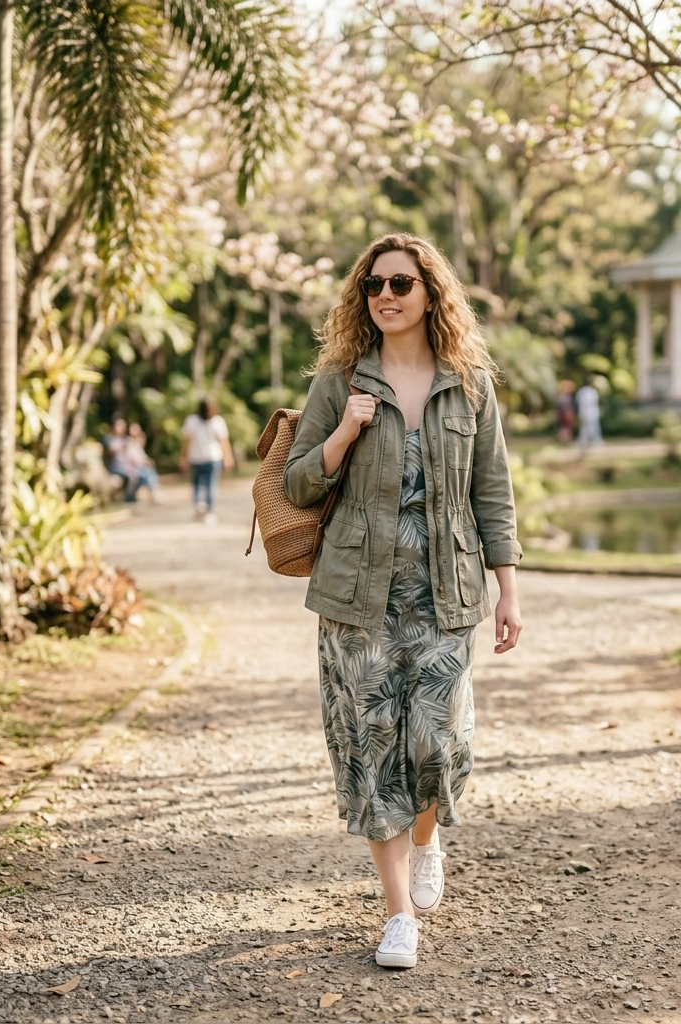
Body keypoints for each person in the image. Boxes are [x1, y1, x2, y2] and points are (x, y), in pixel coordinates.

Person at [283, 233, 523, 971]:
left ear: (430, 295)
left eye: (400, 285)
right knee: (373, 750)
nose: (385, 297)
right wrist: (344, 433)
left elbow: (494, 492)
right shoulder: (339, 382)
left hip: (447, 595)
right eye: (373, 287)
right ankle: (396, 918)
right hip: (359, 601)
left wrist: (508, 590)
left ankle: (427, 838)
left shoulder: (470, 384)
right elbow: (296, 485)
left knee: (439, 744)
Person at [180, 398, 235, 524]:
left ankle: (204, 508)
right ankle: (205, 510)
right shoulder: (199, 421)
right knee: (204, 485)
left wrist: (228, 456)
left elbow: (223, 441)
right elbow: (187, 441)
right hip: (204, 458)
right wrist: (228, 456)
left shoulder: (211, 421)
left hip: (207, 458)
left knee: (202, 485)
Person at [119, 422, 162, 503]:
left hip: (139, 466)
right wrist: (145, 462)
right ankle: (153, 492)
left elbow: (142, 456)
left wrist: (148, 461)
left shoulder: (137, 444)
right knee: (146, 472)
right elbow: (132, 458)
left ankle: (153, 492)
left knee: (149, 470)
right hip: (132, 467)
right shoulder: (127, 443)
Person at [103, 417, 131, 498]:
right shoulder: (108, 439)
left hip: (125, 466)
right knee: (124, 476)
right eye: (119, 426)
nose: (121, 429)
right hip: (113, 467)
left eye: (123, 427)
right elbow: (109, 452)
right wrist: (120, 448)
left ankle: (129, 497)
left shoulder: (124, 439)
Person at [576, 380, 603, 447]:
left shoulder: (581, 391)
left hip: (583, 412)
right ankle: (595, 440)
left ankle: (583, 440)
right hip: (591, 412)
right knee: (593, 427)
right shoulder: (592, 391)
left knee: (584, 427)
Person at [556, 379, 576, 443]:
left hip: (564, 413)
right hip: (566, 413)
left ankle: (564, 439)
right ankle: (564, 440)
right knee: (566, 428)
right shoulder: (566, 397)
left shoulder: (561, 397)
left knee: (565, 428)